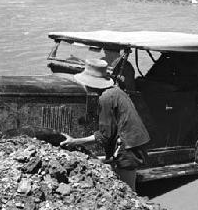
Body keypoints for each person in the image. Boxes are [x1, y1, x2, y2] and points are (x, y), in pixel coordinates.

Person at [60, 59, 150, 190]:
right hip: (134, 142)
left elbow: (104, 136)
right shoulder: (116, 91)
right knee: (124, 187)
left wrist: (75, 141)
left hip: (128, 147)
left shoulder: (105, 99)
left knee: (128, 191)